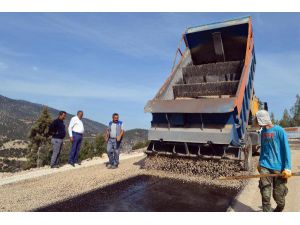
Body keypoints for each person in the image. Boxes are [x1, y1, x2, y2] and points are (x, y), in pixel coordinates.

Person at [256, 110, 292, 212]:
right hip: (265, 166)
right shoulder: (263, 132)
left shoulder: (279, 131)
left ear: (261, 120)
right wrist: (260, 162)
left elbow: (286, 150)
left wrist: (288, 167)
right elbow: (263, 148)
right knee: (265, 194)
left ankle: (280, 206)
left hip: (279, 168)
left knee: (278, 197)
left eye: (257, 120)